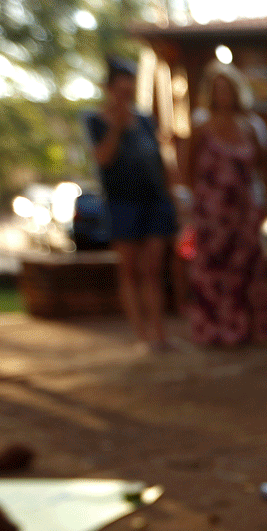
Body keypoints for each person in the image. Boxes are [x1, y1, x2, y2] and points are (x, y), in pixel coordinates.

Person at [86, 57, 176, 352]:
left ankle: (159, 333)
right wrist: (117, 126)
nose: (126, 94)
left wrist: (172, 194)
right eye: (121, 89)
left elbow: (160, 162)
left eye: (130, 89)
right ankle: (141, 336)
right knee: (129, 270)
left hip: (154, 201)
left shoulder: (146, 121)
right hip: (122, 204)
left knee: (153, 268)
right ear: (110, 88)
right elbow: (103, 158)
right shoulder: (96, 120)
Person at [186, 61, 267, 347]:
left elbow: (263, 168)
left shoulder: (251, 127)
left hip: (243, 212)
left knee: (245, 268)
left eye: (227, 89)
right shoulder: (201, 127)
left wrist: (265, 204)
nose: (222, 95)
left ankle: (247, 327)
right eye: (217, 89)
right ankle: (214, 330)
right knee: (212, 270)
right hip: (212, 215)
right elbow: (188, 170)